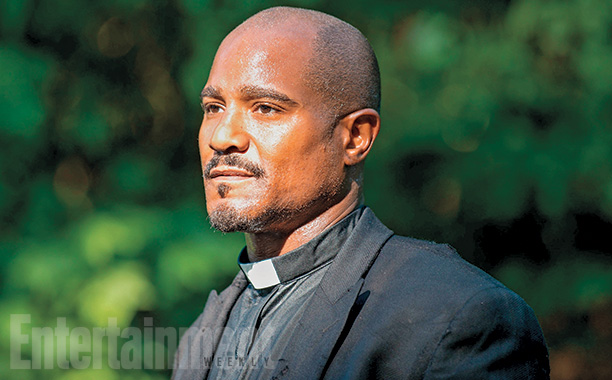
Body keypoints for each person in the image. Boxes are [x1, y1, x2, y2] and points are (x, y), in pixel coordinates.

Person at [172, 6, 550, 380]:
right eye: (214, 107)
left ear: (355, 137)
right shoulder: (201, 336)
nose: (222, 137)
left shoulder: (454, 317)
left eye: (266, 108)